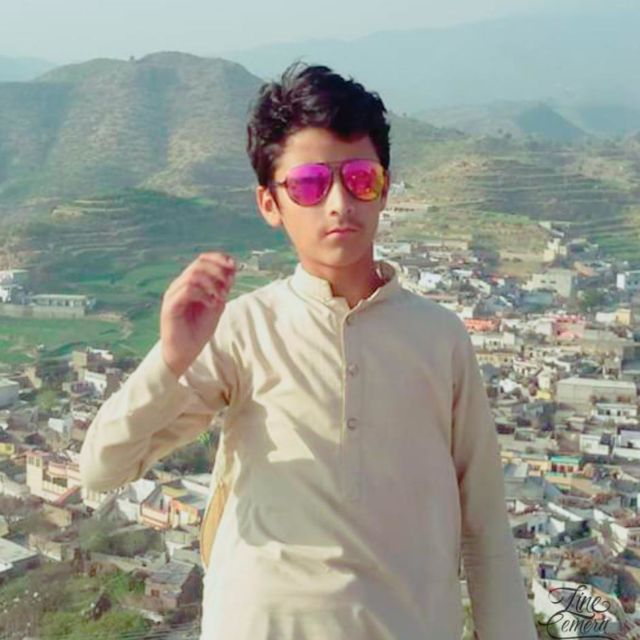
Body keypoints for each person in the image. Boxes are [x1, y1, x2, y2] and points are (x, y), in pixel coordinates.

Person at [79, 62, 538, 639]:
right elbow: (103, 467)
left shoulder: (440, 338)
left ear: (385, 189)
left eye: (361, 178)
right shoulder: (244, 330)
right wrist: (171, 357)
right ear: (270, 204)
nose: (339, 203)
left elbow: (486, 530)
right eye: (309, 184)